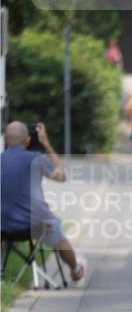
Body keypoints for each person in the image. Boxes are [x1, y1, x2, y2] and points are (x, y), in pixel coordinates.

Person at [1, 121, 85, 282]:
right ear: (27, 140)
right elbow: (62, 177)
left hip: (4, 227)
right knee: (57, 230)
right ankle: (75, 270)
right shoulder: (36, 159)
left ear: (6, 140)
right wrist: (46, 143)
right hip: (37, 227)